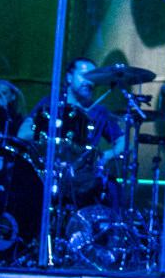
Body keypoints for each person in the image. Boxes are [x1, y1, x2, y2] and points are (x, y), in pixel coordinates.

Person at [18, 57, 128, 207]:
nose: (88, 81)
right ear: (69, 77)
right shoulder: (50, 104)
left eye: (92, 77)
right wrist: (50, 129)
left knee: (112, 187)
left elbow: (124, 141)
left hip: (84, 180)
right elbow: (22, 133)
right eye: (84, 75)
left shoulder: (99, 112)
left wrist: (106, 156)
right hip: (47, 173)